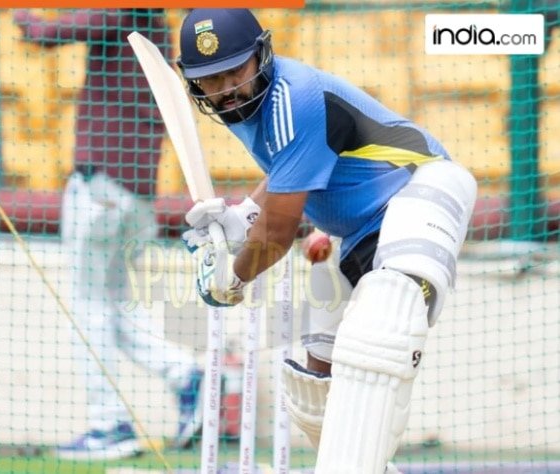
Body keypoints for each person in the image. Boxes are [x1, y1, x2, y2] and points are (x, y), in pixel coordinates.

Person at [177, 8, 477, 473]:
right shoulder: (245, 106)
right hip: (362, 231)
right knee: (318, 383)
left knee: (385, 321)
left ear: (261, 56)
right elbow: (286, 174)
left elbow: (276, 237)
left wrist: (230, 278)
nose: (225, 89)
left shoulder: (294, 98)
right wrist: (242, 218)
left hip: (423, 188)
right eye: (210, 80)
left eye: (234, 70)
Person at [13, 8, 203, 461]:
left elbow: (46, 32)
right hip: (138, 198)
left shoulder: (123, 13)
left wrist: (20, 14)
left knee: (88, 307)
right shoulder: (155, 28)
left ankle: (108, 424)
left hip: (101, 190)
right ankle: (187, 376)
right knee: (115, 307)